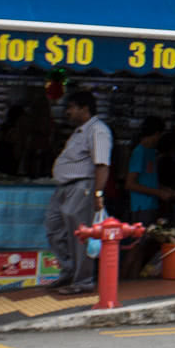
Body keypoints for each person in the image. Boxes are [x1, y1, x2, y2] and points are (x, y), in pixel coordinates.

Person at [44, 91, 113, 295]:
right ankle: (68, 270)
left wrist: (98, 193)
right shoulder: (80, 131)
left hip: (81, 187)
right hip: (65, 188)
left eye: (71, 107)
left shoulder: (98, 130)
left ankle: (83, 280)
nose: (67, 112)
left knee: (80, 234)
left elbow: (101, 164)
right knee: (54, 227)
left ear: (84, 108)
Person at [126, 117, 175, 224]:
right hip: (141, 207)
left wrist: (164, 189)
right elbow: (130, 184)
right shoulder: (139, 153)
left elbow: (149, 180)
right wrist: (158, 192)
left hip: (151, 205)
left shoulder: (152, 152)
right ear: (157, 134)